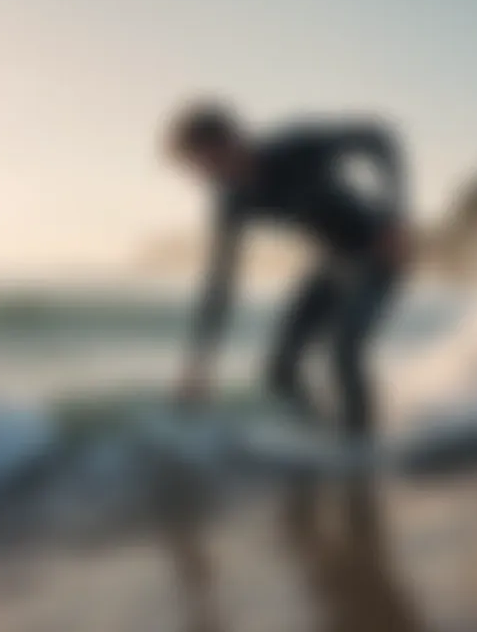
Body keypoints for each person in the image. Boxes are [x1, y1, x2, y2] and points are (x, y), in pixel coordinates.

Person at [166, 101, 409, 443]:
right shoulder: (232, 201)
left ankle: (361, 452)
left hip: (379, 252)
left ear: (229, 140)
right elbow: (220, 283)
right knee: (279, 372)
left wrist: (393, 218)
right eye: (197, 169)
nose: (207, 175)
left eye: (206, 161)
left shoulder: (296, 148)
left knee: (343, 351)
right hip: (332, 263)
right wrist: (200, 363)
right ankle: (323, 439)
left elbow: (379, 139)